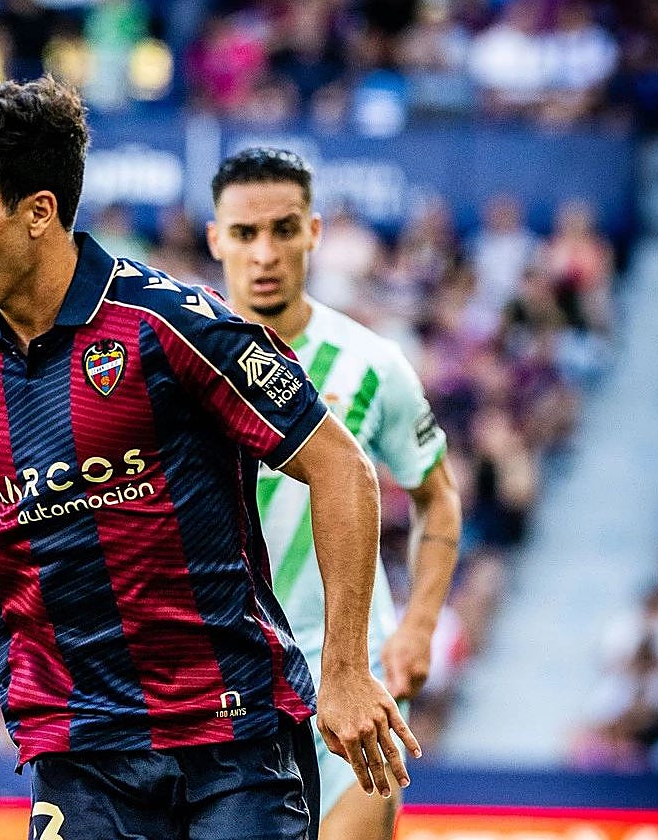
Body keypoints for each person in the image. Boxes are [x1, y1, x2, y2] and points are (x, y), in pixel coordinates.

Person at [0, 79, 419, 840]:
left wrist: (342, 670)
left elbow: (341, 467)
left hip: (232, 738)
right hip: (79, 749)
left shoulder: (170, 326)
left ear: (38, 212)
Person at [207, 147, 461, 840]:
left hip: (351, 677)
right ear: (215, 239)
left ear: (314, 233)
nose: (264, 253)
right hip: (228, 690)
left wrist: (419, 627)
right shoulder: (180, 364)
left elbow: (438, 497)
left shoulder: (372, 363)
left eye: (283, 230)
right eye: (244, 233)